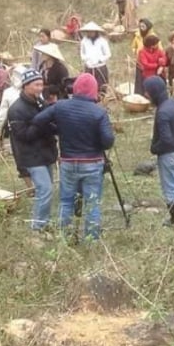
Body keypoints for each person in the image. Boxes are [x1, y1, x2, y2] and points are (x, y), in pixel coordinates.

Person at [32, 73, 115, 241]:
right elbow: (108, 142)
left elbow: (38, 120)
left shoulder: (60, 106)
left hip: (68, 162)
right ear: (94, 91)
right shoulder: (99, 113)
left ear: (75, 89)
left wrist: (58, 129)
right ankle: (91, 240)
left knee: (66, 201)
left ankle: (65, 237)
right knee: (92, 203)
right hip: (92, 162)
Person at [8, 70, 57, 231]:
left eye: (41, 84)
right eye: (36, 85)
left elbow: (50, 124)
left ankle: (43, 222)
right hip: (31, 156)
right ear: (25, 86)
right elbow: (23, 136)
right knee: (45, 189)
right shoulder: (16, 109)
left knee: (47, 189)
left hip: (46, 153)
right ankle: (38, 227)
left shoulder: (40, 103)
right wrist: (40, 122)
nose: (40, 88)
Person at [143, 76, 174, 226]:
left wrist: (154, 149)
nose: (146, 95)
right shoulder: (173, 104)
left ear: (154, 92)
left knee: (169, 187)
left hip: (168, 154)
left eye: (148, 92)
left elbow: (165, 139)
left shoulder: (162, 113)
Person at [0, 64, 29, 147]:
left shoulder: (9, 92)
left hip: (20, 127)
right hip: (20, 127)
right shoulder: (32, 89)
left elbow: (2, 114)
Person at [78, 22, 112, 95]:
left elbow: (108, 54)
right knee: (89, 85)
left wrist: (100, 60)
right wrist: (86, 60)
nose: (90, 33)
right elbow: (82, 53)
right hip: (89, 66)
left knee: (101, 86)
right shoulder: (84, 41)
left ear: (96, 32)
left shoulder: (102, 41)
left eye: (92, 31)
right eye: (89, 31)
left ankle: (102, 99)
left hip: (100, 67)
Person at [131, 19, 162, 94]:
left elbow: (160, 50)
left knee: (149, 80)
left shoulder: (153, 37)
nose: (141, 28)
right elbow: (133, 46)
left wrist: (159, 64)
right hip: (139, 62)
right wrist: (135, 51)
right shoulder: (137, 36)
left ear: (147, 27)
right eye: (140, 26)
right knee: (139, 80)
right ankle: (139, 96)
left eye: (143, 26)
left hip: (150, 63)